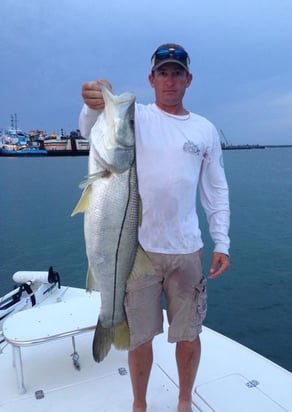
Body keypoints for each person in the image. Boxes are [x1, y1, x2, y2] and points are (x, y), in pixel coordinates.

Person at [79, 43, 230, 412]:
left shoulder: (205, 130)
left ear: (188, 79)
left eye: (177, 73)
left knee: (189, 334)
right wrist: (92, 101)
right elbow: (89, 128)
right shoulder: (136, 117)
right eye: (163, 72)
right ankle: (140, 404)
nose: (170, 80)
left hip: (186, 250)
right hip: (135, 248)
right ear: (151, 79)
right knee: (139, 338)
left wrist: (221, 241)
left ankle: (183, 400)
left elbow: (215, 190)